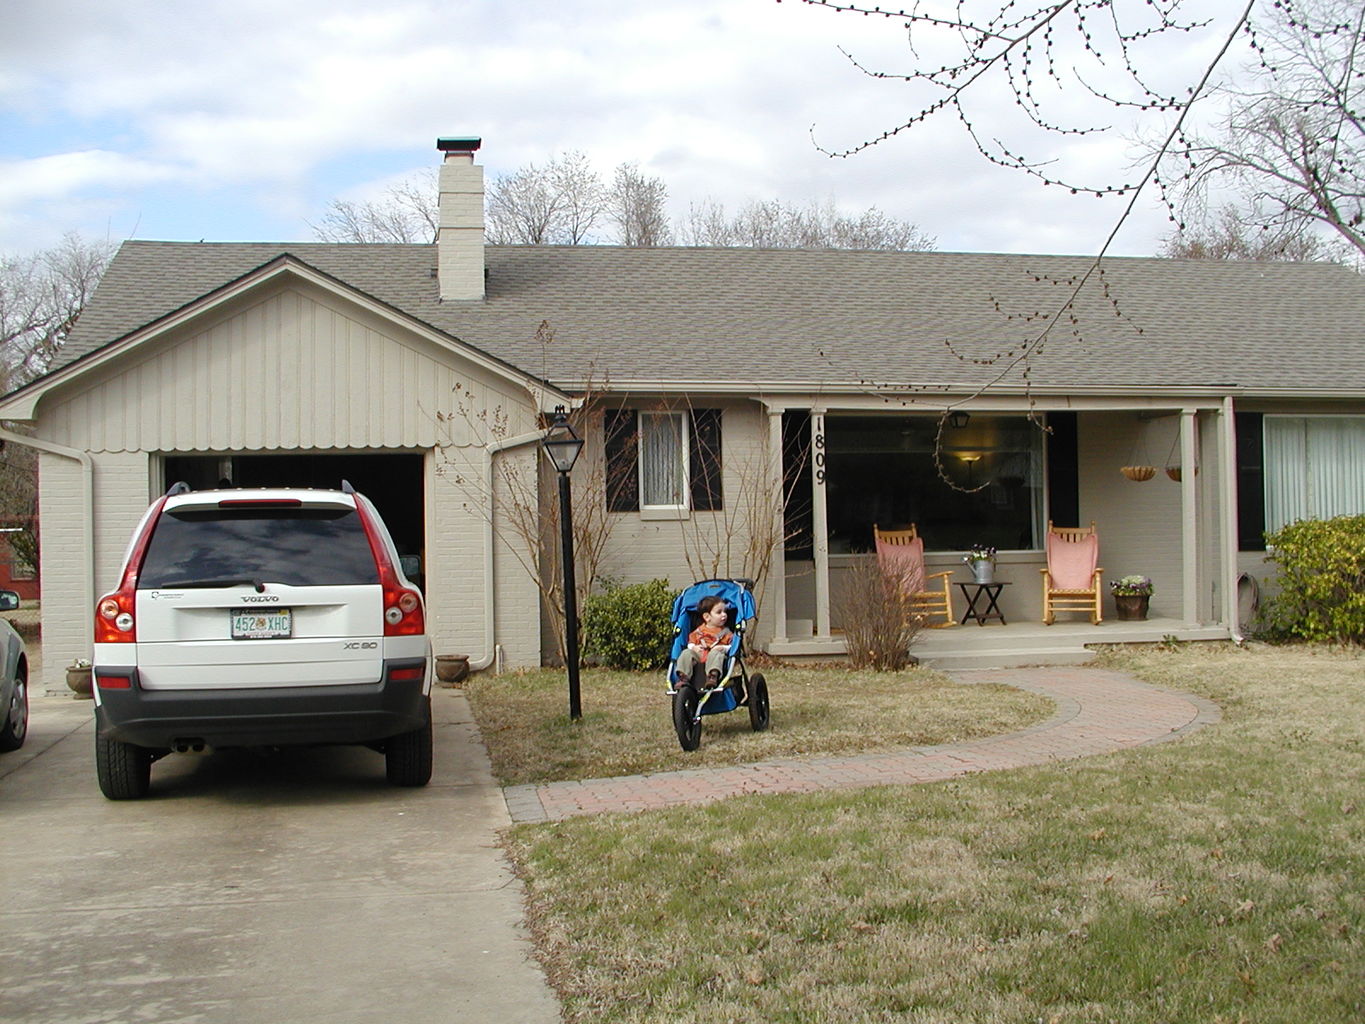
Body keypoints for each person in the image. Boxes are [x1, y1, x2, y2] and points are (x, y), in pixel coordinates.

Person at [674, 595, 734, 691]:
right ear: (707, 617)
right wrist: (694, 648)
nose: (724, 615)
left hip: (716, 657)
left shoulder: (727, 633)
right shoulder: (699, 631)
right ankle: (683, 677)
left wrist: (723, 648)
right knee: (686, 653)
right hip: (700, 655)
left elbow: (732, 646)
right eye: (719, 612)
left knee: (715, 653)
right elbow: (690, 643)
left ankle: (712, 676)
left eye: (725, 612)